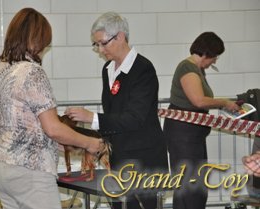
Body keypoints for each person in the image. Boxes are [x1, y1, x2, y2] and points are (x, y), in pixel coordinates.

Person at [0, 8, 103, 209]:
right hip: (29, 173)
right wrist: (89, 142)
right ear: (35, 40)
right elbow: (53, 128)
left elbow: (21, 126)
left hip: (0, 169)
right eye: (44, 42)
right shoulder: (32, 72)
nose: (44, 48)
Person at [64, 12, 168, 209]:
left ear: (120, 36)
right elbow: (112, 114)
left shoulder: (143, 69)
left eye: (103, 43)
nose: (100, 50)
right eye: (97, 45)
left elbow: (134, 119)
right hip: (118, 157)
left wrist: (92, 117)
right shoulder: (108, 69)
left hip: (144, 159)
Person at [163, 31, 240, 209]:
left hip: (191, 136)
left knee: (195, 186)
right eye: (215, 57)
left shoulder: (197, 70)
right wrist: (224, 103)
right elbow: (198, 100)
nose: (214, 61)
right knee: (189, 186)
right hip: (183, 136)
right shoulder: (186, 68)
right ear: (206, 53)